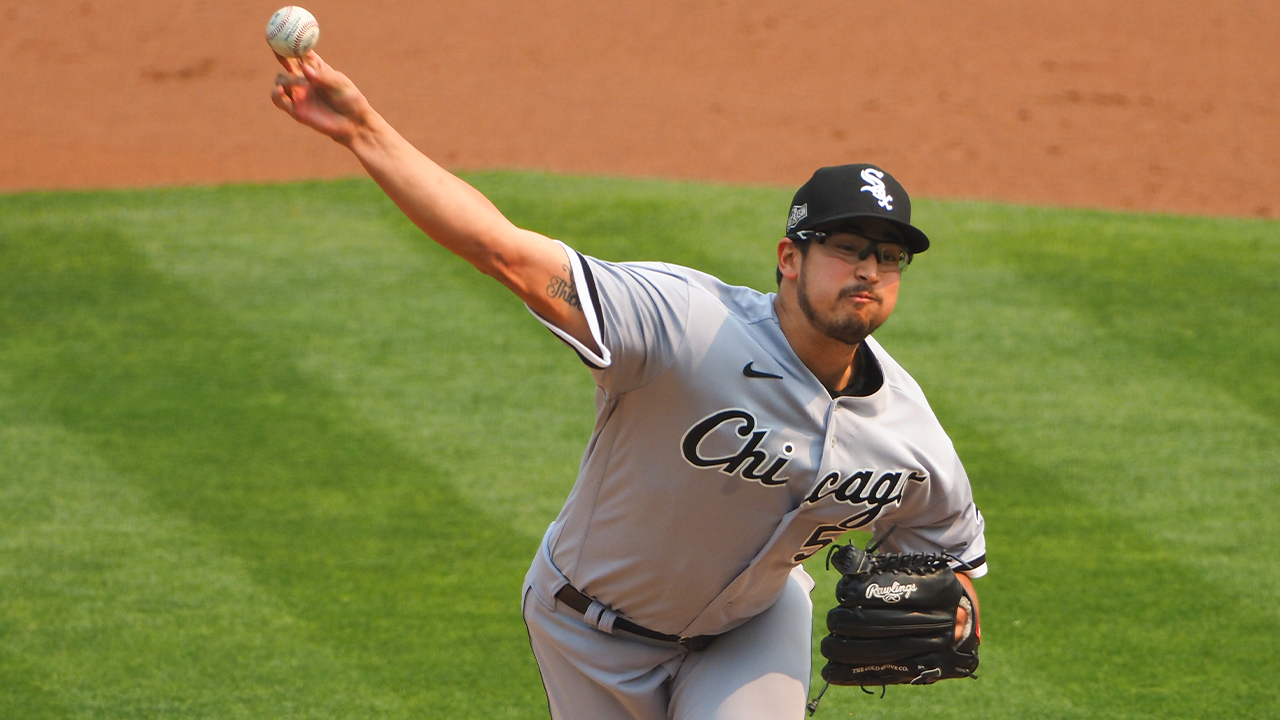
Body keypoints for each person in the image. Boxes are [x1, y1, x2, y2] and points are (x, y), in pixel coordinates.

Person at [272, 51, 986, 720]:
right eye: (847, 247)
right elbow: (503, 251)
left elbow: (949, 555)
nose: (868, 270)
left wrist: (955, 605)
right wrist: (364, 130)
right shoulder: (684, 326)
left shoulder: (908, 432)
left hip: (751, 628)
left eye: (887, 256)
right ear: (789, 258)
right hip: (588, 630)